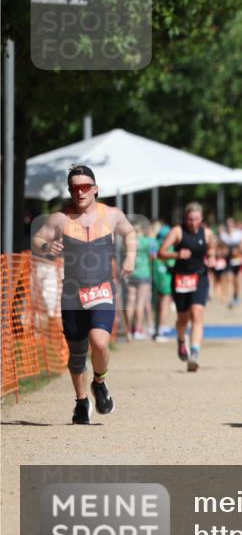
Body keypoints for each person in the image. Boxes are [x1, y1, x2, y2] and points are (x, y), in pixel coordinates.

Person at [31, 164, 137, 424]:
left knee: (99, 342)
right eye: (74, 188)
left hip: (102, 290)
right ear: (70, 191)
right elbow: (37, 239)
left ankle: (99, 382)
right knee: (77, 352)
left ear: (95, 189)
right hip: (72, 293)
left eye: (85, 187)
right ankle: (81, 402)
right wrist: (46, 247)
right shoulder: (60, 219)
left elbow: (129, 232)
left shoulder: (111, 214)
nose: (80, 192)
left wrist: (130, 257)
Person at [158, 203, 215, 372]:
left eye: (196, 219)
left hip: (200, 277)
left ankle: (194, 354)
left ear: (201, 218)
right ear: (185, 218)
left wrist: (211, 257)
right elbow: (161, 253)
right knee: (183, 318)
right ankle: (181, 339)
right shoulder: (177, 231)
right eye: (190, 219)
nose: (193, 222)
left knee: (197, 313)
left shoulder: (207, 233)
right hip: (181, 279)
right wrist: (177, 254)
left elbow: (212, 248)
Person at [125, 220, 156, 340]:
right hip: (144, 274)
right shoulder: (148, 241)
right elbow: (153, 256)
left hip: (131, 274)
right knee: (141, 303)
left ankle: (128, 329)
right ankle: (138, 329)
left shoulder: (128, 241)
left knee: (130, 301)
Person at [151, 222, 175, 341]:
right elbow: (171, 263)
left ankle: (157, 327)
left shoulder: (154, 244)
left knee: (157, 304)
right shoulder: (168, 247)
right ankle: (161, 327)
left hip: (155, 277)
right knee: (165, 303)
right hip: (165, 277)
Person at [219, 217, 242, 308]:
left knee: (237, 280)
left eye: (231, 225)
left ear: (234, 225)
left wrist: (238, 250)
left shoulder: (240, 234)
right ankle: (230, 298)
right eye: (227, 225)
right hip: (228, 260)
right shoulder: (223, 236)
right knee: (229, 278)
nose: (229, 227)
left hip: (239, 260)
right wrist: (224, 251)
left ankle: (237, 296)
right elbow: (220, 248)